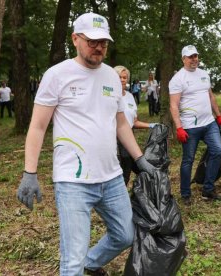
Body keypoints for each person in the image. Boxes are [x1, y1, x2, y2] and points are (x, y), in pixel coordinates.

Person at [16, 12, 155, 275]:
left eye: (103, 41)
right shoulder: (57, 75)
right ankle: (82, 264)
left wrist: (139, 159)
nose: (99, 46)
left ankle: (93, 262)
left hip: (112, 177)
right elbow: (37, 126)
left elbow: (121, 123)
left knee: (125, 235)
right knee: (72, 260)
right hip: (73, 181)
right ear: (75, 39)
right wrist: (29, 172)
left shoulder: (112, 77)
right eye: (92, 41)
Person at [169, 45, 221, 206]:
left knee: (218, 150)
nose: (194, 59)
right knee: (188, 160)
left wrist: (218, 116)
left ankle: (208, 188)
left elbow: (211, 96)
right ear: (183, 59)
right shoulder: (178, 79)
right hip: (189, 127)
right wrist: (179, 127)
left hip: (209, 123)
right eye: (190, 56)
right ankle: (185, 193)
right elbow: (174, 105)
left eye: (196, 56)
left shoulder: (203, 74)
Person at [114, 65, 158, 185]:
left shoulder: (129, 96)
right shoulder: (109, 96)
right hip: (114, 138)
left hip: (129, 136)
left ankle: (141, 192)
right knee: (124, 170)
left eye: (124, 77)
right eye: (119, 77)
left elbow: (134, 122)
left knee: (134, 168)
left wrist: (151, 125)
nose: (122, 80)